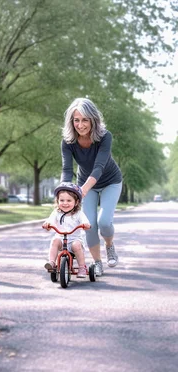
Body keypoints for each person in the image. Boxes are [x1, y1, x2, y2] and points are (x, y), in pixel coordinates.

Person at [60, 97, 123, 276]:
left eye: (85, 119)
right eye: (76, 120)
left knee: (104, 222)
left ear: (93, 119)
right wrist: (64, 190)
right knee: (89, 225)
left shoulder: (105, 137)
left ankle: (110, 245)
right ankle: (97, 262)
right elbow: (66, 169)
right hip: (85, 184)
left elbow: (99, 167)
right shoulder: (68, 142)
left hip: (110, 181)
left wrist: (83, 190)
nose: (80, 125)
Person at [42, 182, 91, 278]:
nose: (65, 203)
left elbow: (85, 222)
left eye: (69, 200)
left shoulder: (79, 213)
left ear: (76, 202)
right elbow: (50, 221)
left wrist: (86, 225)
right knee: (55, 241)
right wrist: (47, 224)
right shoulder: (56, 212)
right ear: (57, 201)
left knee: (76, 245)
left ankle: (82, 267)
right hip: (61, 238)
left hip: (75, 239)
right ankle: (52, 262)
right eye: (62, 200)